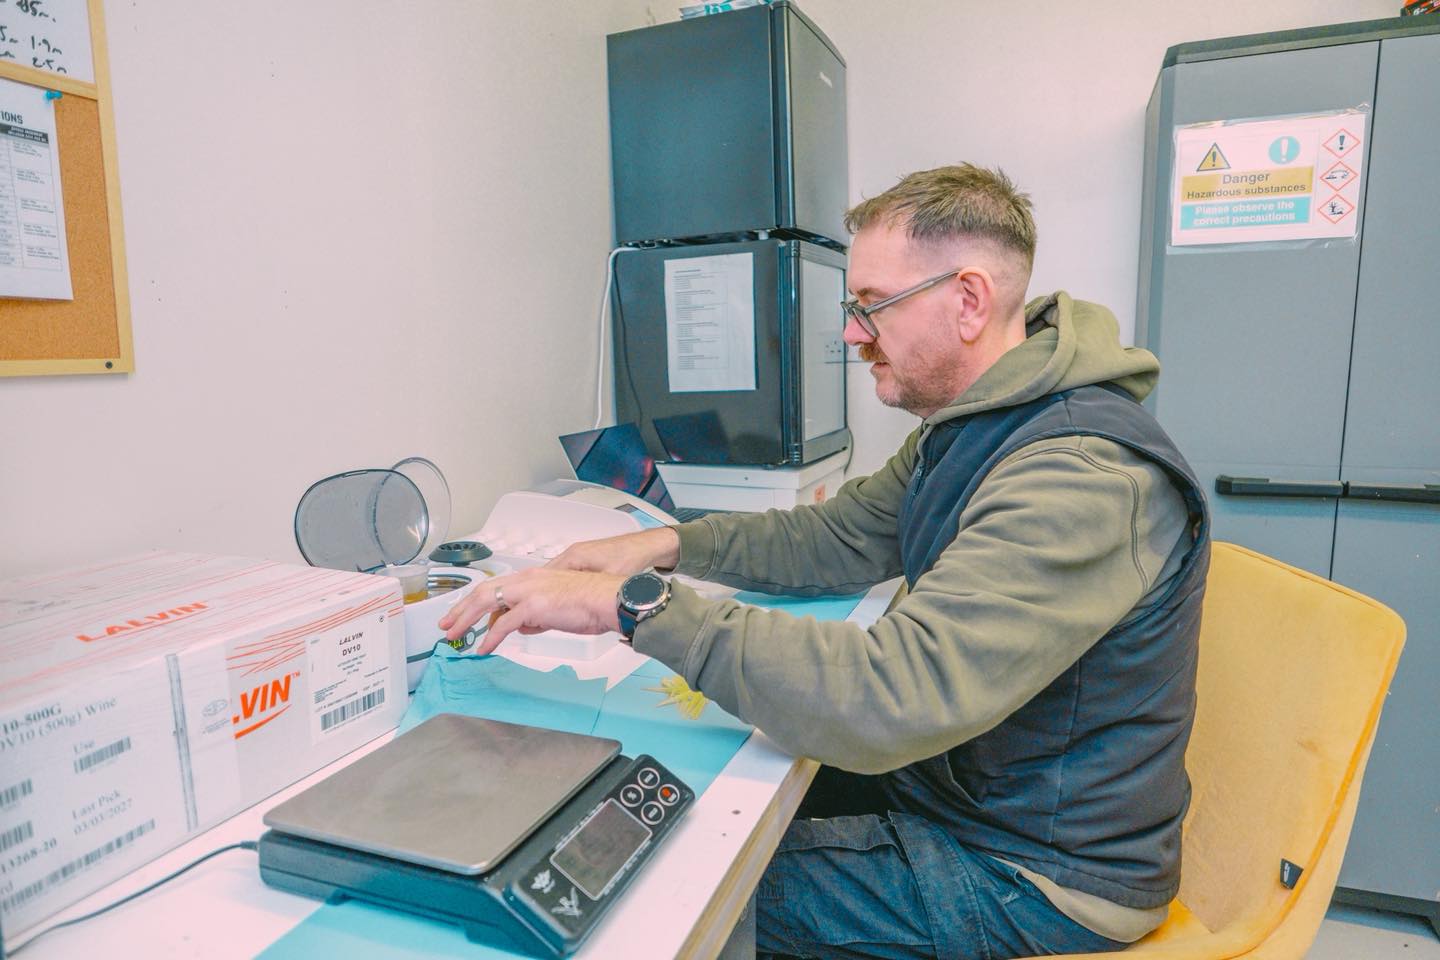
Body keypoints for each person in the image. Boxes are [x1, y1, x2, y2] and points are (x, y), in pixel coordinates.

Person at [440, 163, 1211, 959]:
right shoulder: (979, 423)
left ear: (968, 300)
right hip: (968, 791)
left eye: (872, 305)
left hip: (1032, 873)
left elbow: (892, 693)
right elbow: (840, 535)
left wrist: (632, 605)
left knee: (659, 895)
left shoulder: (1077, 474)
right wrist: (664, 544)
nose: (851, 334)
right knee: (681, 803)